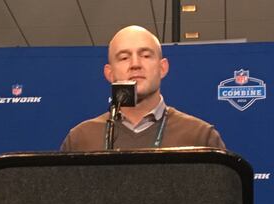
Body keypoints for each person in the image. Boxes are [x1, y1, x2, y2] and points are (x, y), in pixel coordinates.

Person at [60, 25, 225, 151]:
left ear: (163, 68)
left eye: (145, 55)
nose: (135, 64)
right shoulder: (80, 139)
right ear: (109, 73)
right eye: (124, 57)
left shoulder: (200, 137)